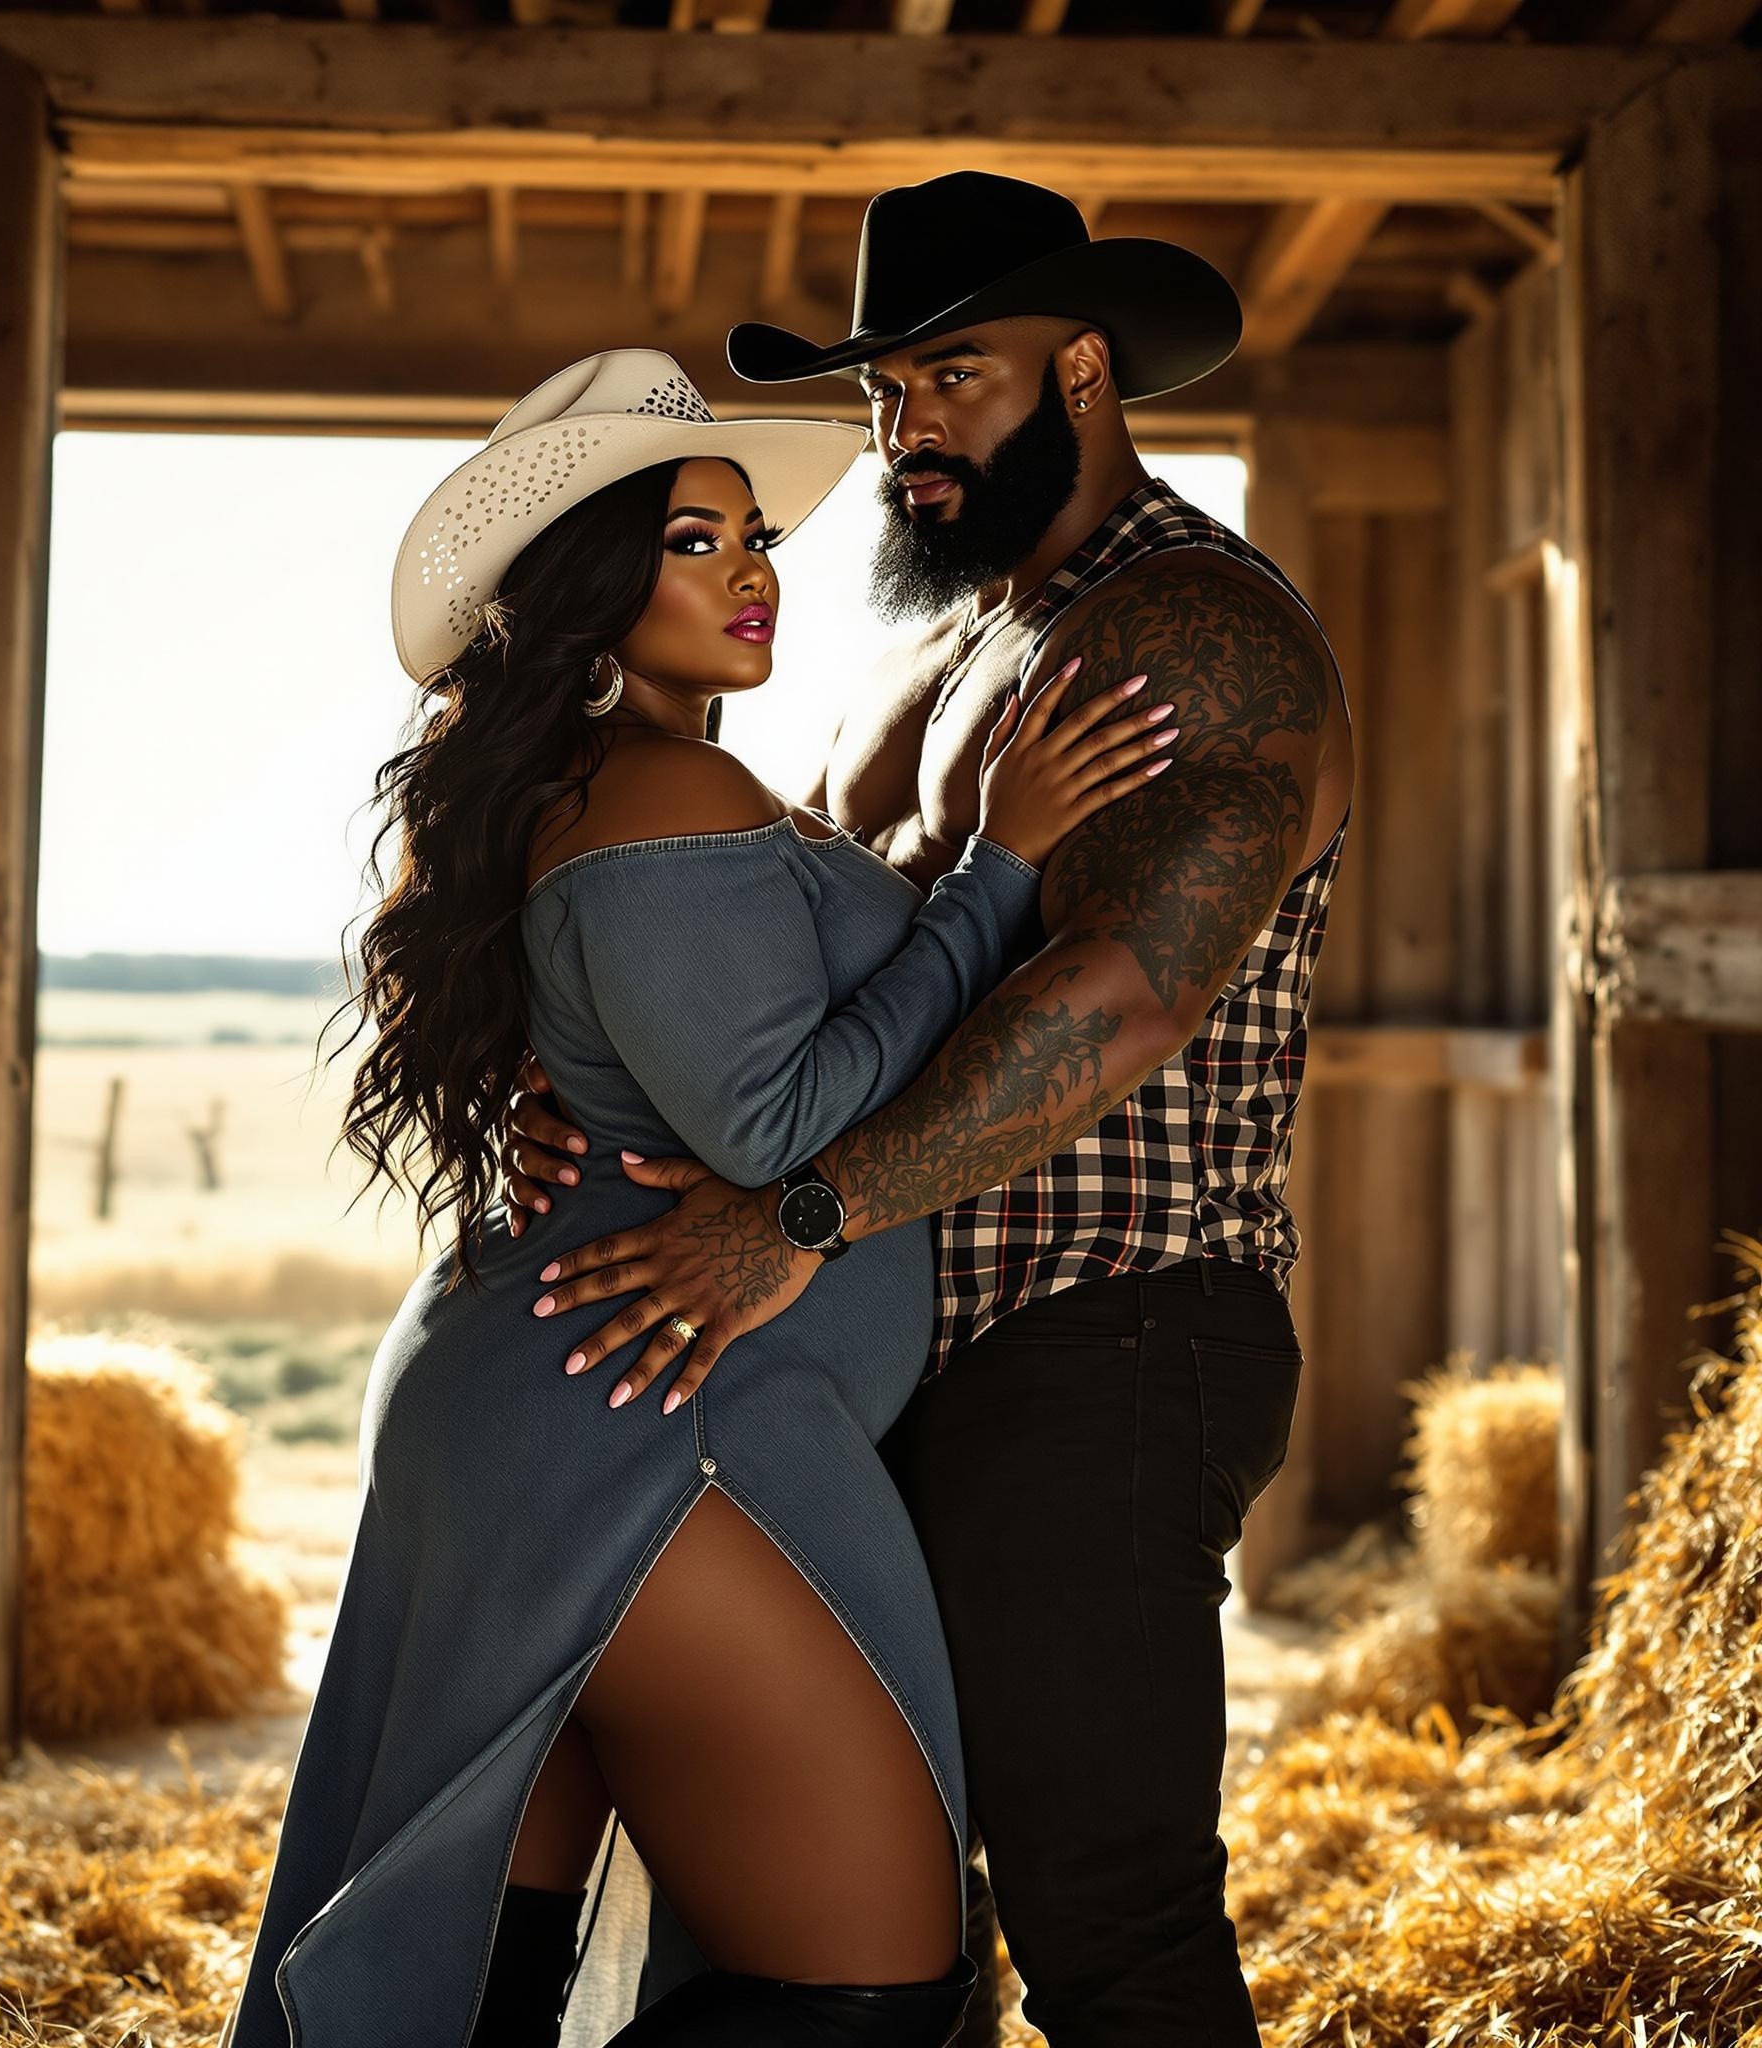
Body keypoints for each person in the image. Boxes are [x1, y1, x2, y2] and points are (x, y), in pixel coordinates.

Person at [218, 347, 1169, 2048]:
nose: (750, 571)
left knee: (478, 1988)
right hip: (658, 1420)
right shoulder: (662, 789)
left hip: (596, 1403)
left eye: (755, 538)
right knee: (870, 1981)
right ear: (589, 588)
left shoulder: (630, 789)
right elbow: (775, 1120)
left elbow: (675, 1045)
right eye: (693, 539)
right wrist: (997, 871)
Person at [502, 174, 1357, 2047]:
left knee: (1105, 1908)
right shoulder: (949, 646)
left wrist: (793, 1219)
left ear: (1080, 369)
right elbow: (765, 977)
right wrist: (553, 1097)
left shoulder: (1195, 635)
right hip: (878, 1356)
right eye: (886, 396)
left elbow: (1120, 998)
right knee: (867, 1909)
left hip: (1100, 1329)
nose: (907, 436)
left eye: (949, 382)